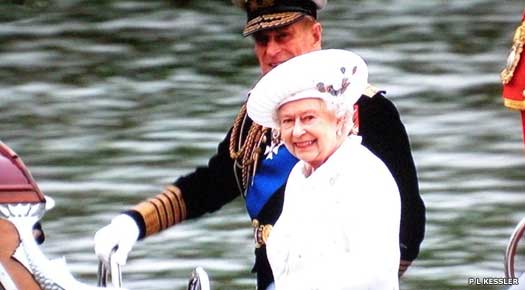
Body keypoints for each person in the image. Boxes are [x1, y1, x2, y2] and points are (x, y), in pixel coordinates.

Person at [94, 1, 425, 289]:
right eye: (261, 40)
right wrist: (134, 223)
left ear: (315, 35)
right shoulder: (255, 119)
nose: (271, 51)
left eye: (283, 36)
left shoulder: (362, 109)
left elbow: (406, 228)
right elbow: (211, 185)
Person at [246, 48, 400, 289]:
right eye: (288, 121)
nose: (297, 131)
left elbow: (371, 275)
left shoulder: (364, 175)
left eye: (309, 118)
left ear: (339, 120)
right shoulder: (300, 176)